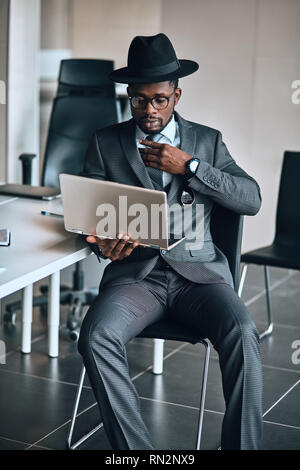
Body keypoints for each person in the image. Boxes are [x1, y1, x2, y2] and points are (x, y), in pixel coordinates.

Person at [78, 33, 263, 450]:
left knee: (244, 333)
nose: (149, 110)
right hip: (135, 277)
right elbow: (87, 213)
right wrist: (101, 243)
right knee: (94, 336)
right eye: (139, 100)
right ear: (129, 96)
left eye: (159, 99)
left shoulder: (207, 141)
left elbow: (250, 199)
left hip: (200, 276)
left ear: (176, 95)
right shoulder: (106, 141)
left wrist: (192, 165)